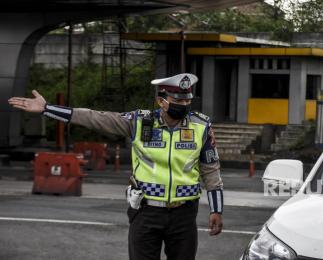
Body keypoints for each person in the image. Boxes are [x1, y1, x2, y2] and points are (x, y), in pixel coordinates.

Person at [8, 73, 224, 260]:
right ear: (161, 101)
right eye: (177, 100)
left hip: (184, 215)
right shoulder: (139, 121)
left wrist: (217, 209)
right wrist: (47, 109)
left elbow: (210, 169)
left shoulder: (201, 126)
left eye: (187, 101)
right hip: (146, 212)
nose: (184, 105)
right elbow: (95, 118)